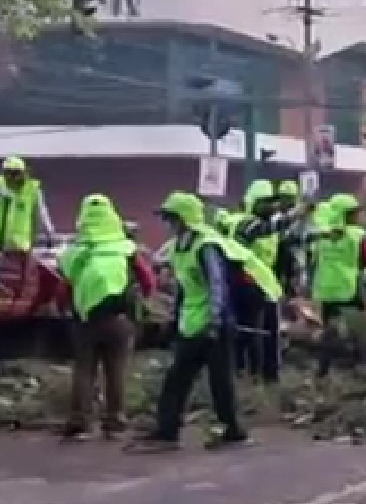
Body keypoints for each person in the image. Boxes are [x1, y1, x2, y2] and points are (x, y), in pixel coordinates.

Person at [131, 192, 279, 452]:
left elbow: (217, 284)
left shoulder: (206, 246)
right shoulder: (180, 246)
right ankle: (168, 431)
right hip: (193, 323)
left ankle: (231, 431)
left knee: (218, 381)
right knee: (178, 379)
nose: (167, 224)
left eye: (171, 218)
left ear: (184, 219)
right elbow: (183, 286)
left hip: (213, 325)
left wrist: (214, 320)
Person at [58, 195, 141, 440]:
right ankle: (115, 422)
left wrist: (63, 308)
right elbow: (148, 281)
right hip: (119, 318)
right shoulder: (126, 250)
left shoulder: (76, 253)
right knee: (116, 371)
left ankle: (81, 422)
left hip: (86, 320)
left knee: (84, 370)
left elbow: (64, 288)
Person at [223, 179, 293, 384]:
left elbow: (283, 249)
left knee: (270, 334)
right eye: (265, 202)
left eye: (273, 202)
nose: (271, 206)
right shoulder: (245, 223)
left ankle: (270, 377)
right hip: (246, 286)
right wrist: (294, 215)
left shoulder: (268, 228)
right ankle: (247, 375)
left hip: (266, 286)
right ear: (253, 202)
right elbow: (264, 229)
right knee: (249, 334)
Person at [310, 194, 366, 378]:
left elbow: (312, 259)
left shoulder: (321, 236)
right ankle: (360, 362)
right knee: (359, 326)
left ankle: (323, 368)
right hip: (349, 287)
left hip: (326, 288)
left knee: (328, 329)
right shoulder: (357, 236)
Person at [0, 155, 56, 255]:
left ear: (23, 172)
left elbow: (42, 213)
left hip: (22, 247)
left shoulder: (32, 190)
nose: (13, 177)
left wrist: (50, 234)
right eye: (9, 173)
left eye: (16, 173)